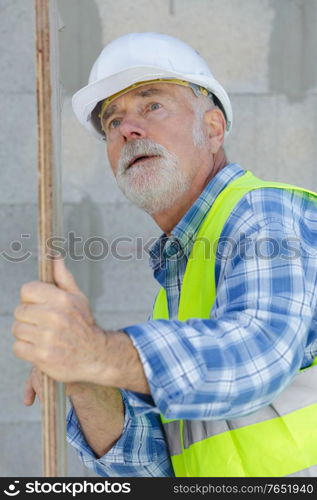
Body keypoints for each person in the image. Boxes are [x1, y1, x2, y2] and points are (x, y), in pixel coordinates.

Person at [12, 32, 317, 477]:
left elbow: (259, 353)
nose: (127, 129)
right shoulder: (178, 283)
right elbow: (151, 468)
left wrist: (98, 352)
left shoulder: (266, 214)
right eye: (112, 122)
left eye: (151, 105)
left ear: (212, 129)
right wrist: (85, 379)